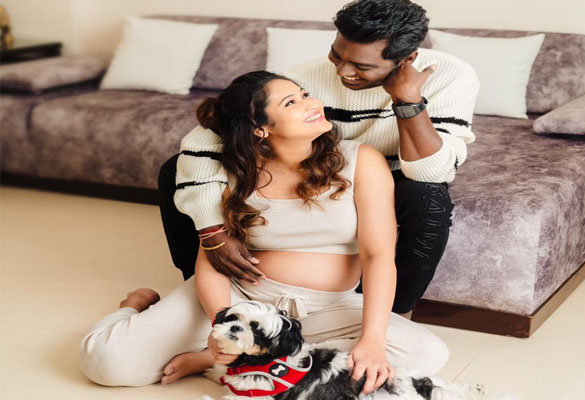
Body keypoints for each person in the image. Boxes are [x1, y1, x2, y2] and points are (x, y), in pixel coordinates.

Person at [80, 71, 449, 394]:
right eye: (291, 102)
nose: (312, 103)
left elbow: (378, 255)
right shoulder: (231, 172)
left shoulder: (360, 160)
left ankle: (222, 360)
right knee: (107, 363)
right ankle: (135, 306)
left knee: (426, 354)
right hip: (244, 299)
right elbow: (211, 259)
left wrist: (372, 339)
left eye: (305, 94)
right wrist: (224, 326)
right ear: (260, 127)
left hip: (330, 308)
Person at [159, 0, 479, 319]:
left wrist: (408, 101)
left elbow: (432, 172)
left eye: (361, 66)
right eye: (337, 55)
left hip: (397, 172)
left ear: (407, 59)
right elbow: (206, 139)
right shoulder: (303, 80)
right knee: (175, 170)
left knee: (428, 199)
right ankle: (203, 296)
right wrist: (212, 232)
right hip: (323, 168)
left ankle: (395, 316)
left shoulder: (452, 77)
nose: (342, 72)